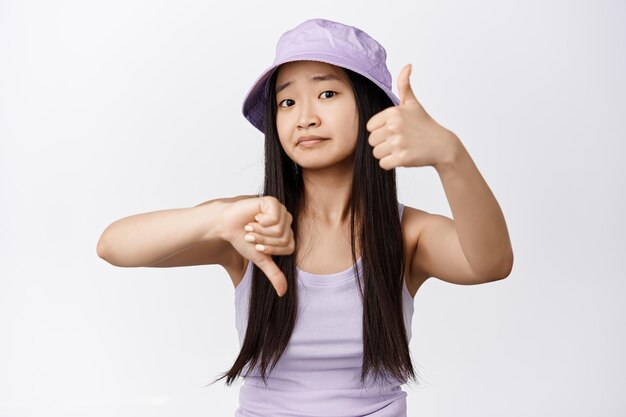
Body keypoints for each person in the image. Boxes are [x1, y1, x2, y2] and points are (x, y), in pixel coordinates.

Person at [97, 17, 514, 417]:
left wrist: (450, 156)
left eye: (327, 94)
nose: (305, 117)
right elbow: (113, 246)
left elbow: (491, 263)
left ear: (372, 108)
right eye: (287, 101)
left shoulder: (409, 233)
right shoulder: (250, 224)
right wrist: (217, 220)